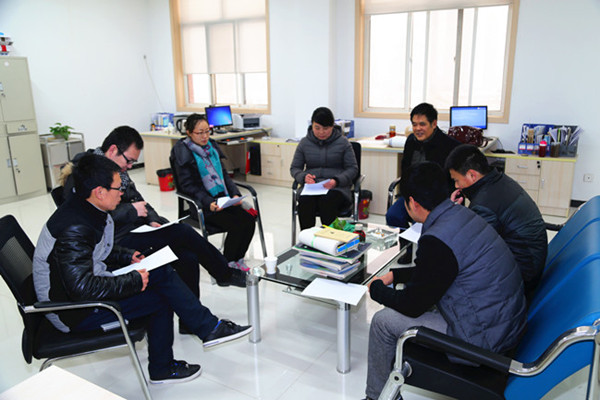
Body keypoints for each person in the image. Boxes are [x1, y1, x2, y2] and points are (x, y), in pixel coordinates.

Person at [33, 154, 252, 384]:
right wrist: (134, 281)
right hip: (73, 311)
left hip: (80, 290)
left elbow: (96, 251)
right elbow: (82, 288)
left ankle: (198, 337)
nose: (122, 193)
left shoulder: (87, 208)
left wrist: (125, 255)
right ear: (99, 192)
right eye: (117, 188)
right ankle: (184, 349)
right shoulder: (75, 227)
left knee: (159, 273)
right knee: (159, 290)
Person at [364, 162, 527, 400]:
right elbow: (439, 270)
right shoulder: (461, 214)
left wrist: (377, 290)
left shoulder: (437, 240)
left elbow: (412, 305)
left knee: (382, 322)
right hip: (503, 321)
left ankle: (375, 396)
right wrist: (396, 275)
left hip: (481, 338)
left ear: (413, 203)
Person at [62, 126, 247, 331]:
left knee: (187, 256)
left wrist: (152, 219)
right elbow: (87, 217)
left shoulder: (117, 171)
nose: (129, 167)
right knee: (183, 232)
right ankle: (224, 273)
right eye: (129, 161)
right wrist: (131, 211)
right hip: (114, 243)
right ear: (113, 150)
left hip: (135, 230)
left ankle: (189, 322)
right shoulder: (84, 174)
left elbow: (140, 200)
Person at [445, 144, 548, 300]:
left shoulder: (484, 204)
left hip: (523, 276)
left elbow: (470, 250)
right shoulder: (500, 180)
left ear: (472, 175)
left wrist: (451, 214)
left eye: (457, 180)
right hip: (532, 260)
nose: (456, 186)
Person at [170, 114, 256, 270]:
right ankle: (227, 264)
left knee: (249, 219)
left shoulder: (212, 148)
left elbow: (224, 176)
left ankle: (238, 258)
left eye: (207, 132)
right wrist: (208, 202)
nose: (205, 136)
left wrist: (235, 194)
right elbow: (187, 186)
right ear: (189, 133)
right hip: (203, 205)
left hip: (223, 200)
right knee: (237, 224)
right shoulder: (183, 152)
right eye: (200, 133)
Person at [385, 103, 461, 263]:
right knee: (393, 215)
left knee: (421, 222)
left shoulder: (449, 146)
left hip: (435, 199)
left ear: (434, 124)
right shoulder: (411, 141)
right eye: (414, 124)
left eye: (422, 124)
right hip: (412, 196)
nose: (417, 128)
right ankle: (407, 248)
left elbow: (453, 180)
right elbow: (405, 170)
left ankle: (425, 256)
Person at [290, 107, 358, 230]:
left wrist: (336, 181)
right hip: (312, 187)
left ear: (332, 126)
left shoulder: (343, 143)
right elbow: (295, 168)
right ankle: (307, 238)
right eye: (317, 128)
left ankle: (330, 238)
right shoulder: (304, 143)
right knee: (305, 202)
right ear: (312, 125)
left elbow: (352, 168)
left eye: (326, 128)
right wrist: (303, 177)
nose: (321, 132)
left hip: (337, 188)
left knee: (327, 202)